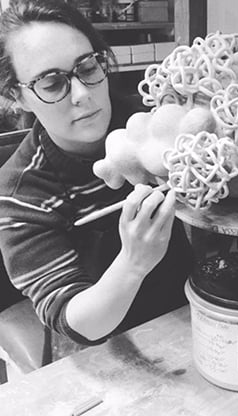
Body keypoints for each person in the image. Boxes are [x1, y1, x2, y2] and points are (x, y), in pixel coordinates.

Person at [0, 0, 194, 345]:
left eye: (87, 68)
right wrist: (134, 261)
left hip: (189, 311)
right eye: (52, 83)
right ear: (19, 96)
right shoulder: (20, 194)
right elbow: (75, 321)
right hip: (106, 345)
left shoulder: (149, 123)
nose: (81, 94)